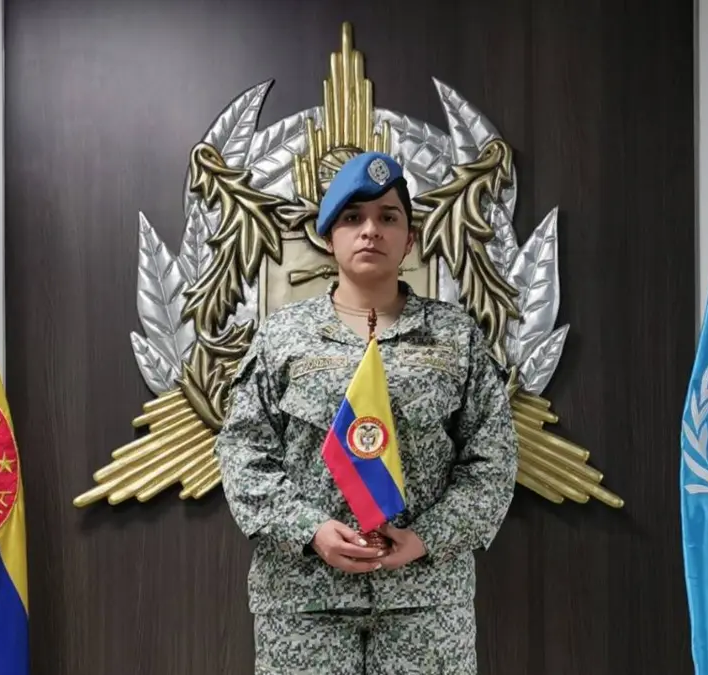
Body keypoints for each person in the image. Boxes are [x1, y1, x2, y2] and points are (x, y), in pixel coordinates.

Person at [215, 151, 519, 674]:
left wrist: (426, 538)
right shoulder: (282, 338)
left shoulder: (455, 337)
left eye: (388, 217)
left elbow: (492, 461)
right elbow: (244, 453)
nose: (371, 230)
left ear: (411, 239)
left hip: (425, 604)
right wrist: (310, 529)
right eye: (353, 217)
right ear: (328, 236)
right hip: (305, 604)